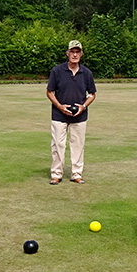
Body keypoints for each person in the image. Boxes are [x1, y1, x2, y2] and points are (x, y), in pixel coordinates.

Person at [46, 40, 97, 184]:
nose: (75, 55)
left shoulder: (86, 73)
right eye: (72, 52)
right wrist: (60, 106)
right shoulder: (57, 71)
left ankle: (76, 174)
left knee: (78, 145)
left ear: (81, 54)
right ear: (67, 53)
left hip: (79, 116)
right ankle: (56, 174)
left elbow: (92, 94)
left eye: (77, 52)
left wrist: (83, 106)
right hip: (58, 115)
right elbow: (50, 92)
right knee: (57, 144)